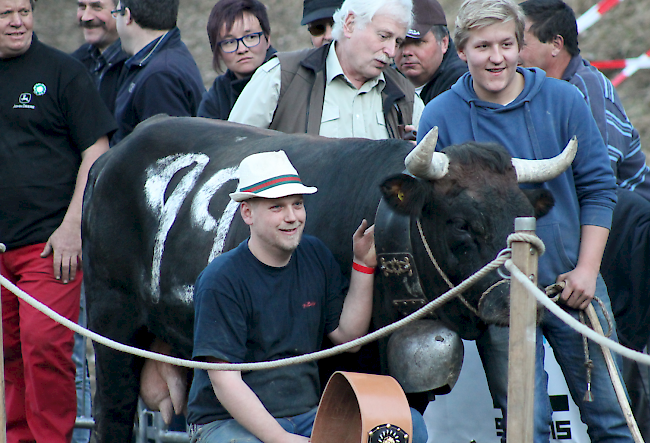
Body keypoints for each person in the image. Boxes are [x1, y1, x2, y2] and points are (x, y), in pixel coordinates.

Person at [417, 0, 633, 441]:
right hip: (500, 298)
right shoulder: (440, 115)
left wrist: (587, 271)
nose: (495, 57)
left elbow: (598, 189)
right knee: (524, 428)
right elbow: (432, 214)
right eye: (482, 46)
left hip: (575, 288)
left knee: (611, 418)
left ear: (520, 47)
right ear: (461, 51)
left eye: (505, 44)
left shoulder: (564, 100)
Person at [186, 151, 428, 443]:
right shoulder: (221, 279)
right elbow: (225, 383)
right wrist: (281, 439)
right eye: (277, 207)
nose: (292, 217)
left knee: (408, 426)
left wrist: (363, 264)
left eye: (297, 204)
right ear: (247, 213)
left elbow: (348, 338)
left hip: (305, 416)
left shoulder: (314, 255)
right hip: (225, 422)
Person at [518, 0, 650, 438]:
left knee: (617, 380)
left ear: (555, 45)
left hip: (622, 242)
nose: (511, 52)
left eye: (521, 40)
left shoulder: (585, 89)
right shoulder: (535, 89)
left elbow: (597, 184)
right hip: (576, 240)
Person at [0, 0, 116, 442]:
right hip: (2, 252)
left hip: (49, 249)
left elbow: (97, 152)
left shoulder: (63, 71)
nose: (18, 21)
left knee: (44, 345)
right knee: (11, 356)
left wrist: (72, 227)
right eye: (6, 13)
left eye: (24, 10)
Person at [228, 0, 424, 140]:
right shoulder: (282, 76)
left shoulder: (406, 97)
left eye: (397, 41)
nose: (391, 51)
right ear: (349, 24)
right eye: (383, 36)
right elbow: (233, 149)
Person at [111, 0, 205, 145]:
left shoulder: (159, 76)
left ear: (128, 16)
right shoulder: (164, 58)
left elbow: (165, 154)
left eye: (116, 14)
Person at [197, 0, 277, 120]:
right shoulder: (217, 96)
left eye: (251, 37)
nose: (242, 49)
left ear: (267, 38)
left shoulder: (285, 79)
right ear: (217, 51)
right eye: (229, 42)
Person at [395, 0, 467, 104]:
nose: (406, 52)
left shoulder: (461, 83)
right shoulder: (384, 79)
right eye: (400, 42)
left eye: (418, 42)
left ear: (444, 43)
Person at [71, 0, 127, 115]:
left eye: (97, 7)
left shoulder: (137, 65)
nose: (86, 17)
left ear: (123, 11)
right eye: (82, 7)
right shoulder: (74, 63)